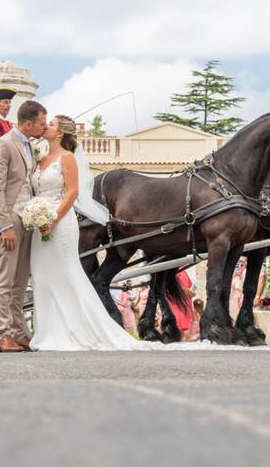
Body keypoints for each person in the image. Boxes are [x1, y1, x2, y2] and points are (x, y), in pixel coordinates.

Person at [27, 114, 232, 351]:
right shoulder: (39, 156)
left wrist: (51, 218)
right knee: (45, 276)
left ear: (60, 133)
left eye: (50, 124)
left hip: (57, 222)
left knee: (67, 275)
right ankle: (46, 330)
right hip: (39, 223)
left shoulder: (67, 158)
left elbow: (72, 193)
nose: (46, 126)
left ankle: (75, 329)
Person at [0, 100, 47, 352]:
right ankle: (3, 335)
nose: (44, 128)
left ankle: (18, 331)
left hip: (27, 220)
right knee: (5, 279)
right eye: (42, 124)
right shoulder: (4, 145)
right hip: (10, 220)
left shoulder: (29, 146)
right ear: (29, 123)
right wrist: (4, 225)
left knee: (21, 280)